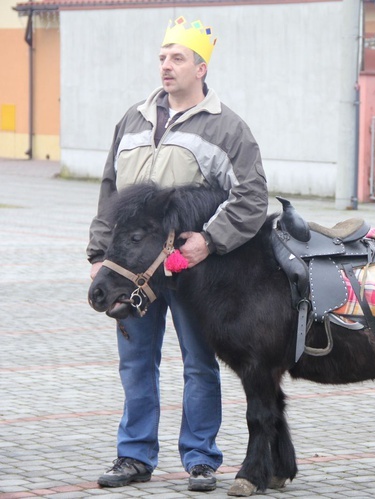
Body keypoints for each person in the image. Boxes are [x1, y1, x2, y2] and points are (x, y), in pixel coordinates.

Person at [87, 16, 268, 492]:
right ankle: (134, 456)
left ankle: (201, 458)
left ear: (201, 68)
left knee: (199, 362)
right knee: (135, 362)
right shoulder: (133, 119)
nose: (166, 66)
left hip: (191, 271)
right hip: (133, 271)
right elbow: (112, 193)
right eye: (163, 57)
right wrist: (98, 252)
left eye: (177, 58)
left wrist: (210, 240)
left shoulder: (228, 129)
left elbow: (251, 198)